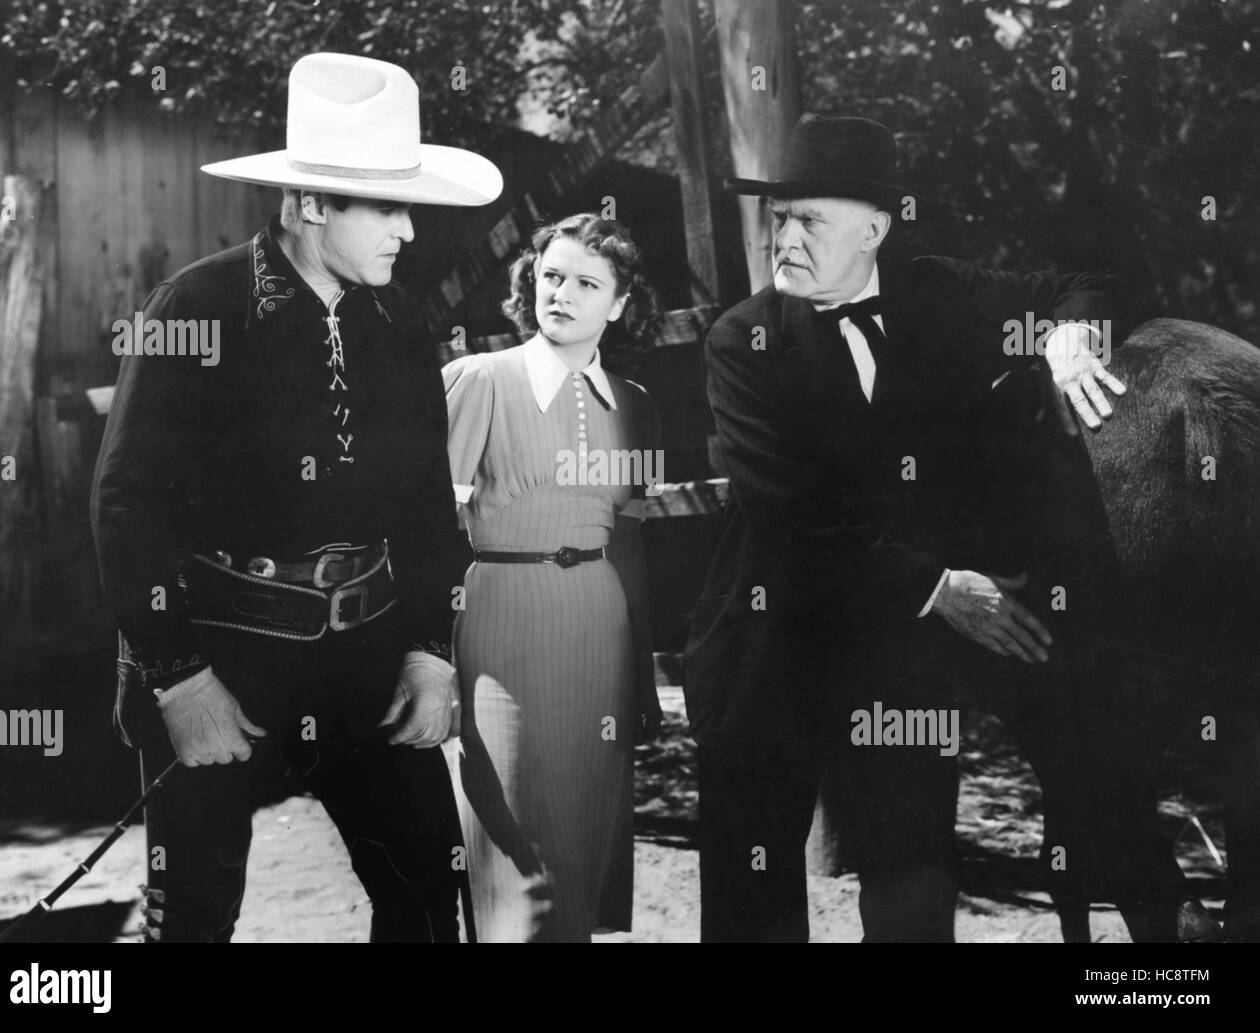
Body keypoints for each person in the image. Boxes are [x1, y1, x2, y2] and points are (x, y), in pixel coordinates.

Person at [685, 113, 1204, 942]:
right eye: (779, 218)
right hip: (772, 645)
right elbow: (796, 515)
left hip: (898, 658)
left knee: (913, 891)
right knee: (752, 909)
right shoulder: (739, 340)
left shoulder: (936, 292)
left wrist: (1070, 336)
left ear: (875, 230)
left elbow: (1081, 281)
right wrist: (938, 586)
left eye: (809, 219)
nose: (785, 237)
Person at [91, 52, 502, 942]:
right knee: (193, 919)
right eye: (387, 208)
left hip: (371, 660)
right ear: (312, 205)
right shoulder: (195, 307)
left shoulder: (402, 324)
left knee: (430, 900)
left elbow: (430, 507)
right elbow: (126, 505)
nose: (408, 232)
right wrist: (176, 677)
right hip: (220, 659)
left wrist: (432, 649)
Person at [441, 214, 663, 942]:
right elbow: (427, 529)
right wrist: (425, 654)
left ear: (620, 302)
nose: (562, 293)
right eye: (552, 276)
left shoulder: (636, 404)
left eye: (586, 283)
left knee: (582, 844)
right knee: (513, 838)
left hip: (600, 626)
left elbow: (628, 543)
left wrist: (641, 675)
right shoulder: (479, 379)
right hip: (503, 617)